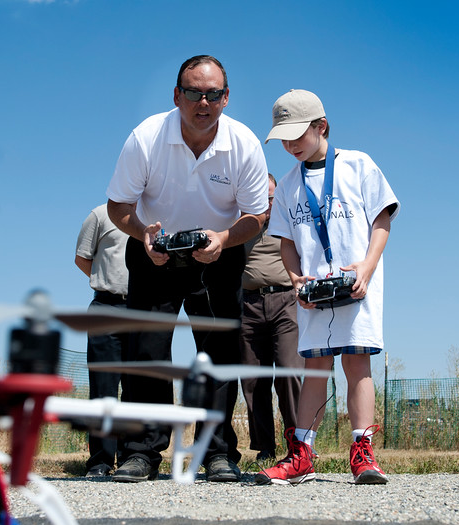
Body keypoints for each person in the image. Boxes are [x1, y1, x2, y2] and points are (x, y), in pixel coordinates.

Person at [105, 55, 269, 483]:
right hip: (154, 248)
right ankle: (141, 451)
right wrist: (142, 233)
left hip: (218, 253)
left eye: (213, 94)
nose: (204, 102)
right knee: (147, 353)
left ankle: (216, 452)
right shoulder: (145, 137)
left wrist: (224, 239)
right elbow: (118, 207)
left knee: (218, 354)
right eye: (194, 92)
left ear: (226, 98)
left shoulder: (245, 144)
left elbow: (255, 216)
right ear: (176, 95)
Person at [256, 89, 399, 485]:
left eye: (296, 135)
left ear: (321, 126)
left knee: (356, 363)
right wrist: (295, 277)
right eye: (282, 138)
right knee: (315, 367)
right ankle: (302, 454)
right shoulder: (287, 185)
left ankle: (363, 453)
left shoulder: (357, 165)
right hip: (313, 292)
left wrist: (367, 268)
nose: (289, 145)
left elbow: (382, 219)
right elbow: (286, 240)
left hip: (356, 286)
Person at [241, 173, 303, 462]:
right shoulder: (240, 225)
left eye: (270, 197)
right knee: (254, 379)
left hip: (286, 302)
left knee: (290, 372)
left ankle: (298, 444)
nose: (266, 203)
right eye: (259, 198)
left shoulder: (289, 222)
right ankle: (265, 446)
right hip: (249, 305)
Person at [75, 203, 129, 478]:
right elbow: (82, 258)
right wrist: (106, 281)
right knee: (103, 388)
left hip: (144, 310)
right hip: (106, 307)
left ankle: (134, 458)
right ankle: (101, 461)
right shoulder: (99, 215)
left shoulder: (157, 215)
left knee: (138, 389)